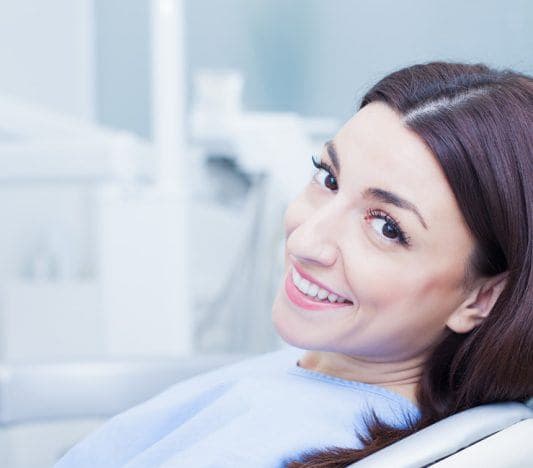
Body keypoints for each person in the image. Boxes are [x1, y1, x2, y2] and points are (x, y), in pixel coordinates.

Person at [55, 61, 533, 468]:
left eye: (386, 227)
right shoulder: (330, 369)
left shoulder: (291, 436)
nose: (306, 240)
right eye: (327, 177)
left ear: (483, 297)